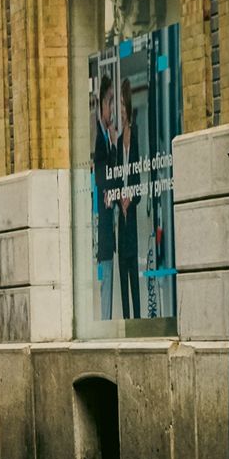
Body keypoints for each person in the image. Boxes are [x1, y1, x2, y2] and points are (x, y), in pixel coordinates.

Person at [116, 78, 143, 320]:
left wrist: (130, 199)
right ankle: (126, 320)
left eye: (124, 106)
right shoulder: (116, 141)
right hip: (120, 216)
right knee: (122, 268)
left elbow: (139, 183)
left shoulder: (134, 136)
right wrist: (117, 199)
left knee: (133, 268)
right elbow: (115, 179)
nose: (121, 111)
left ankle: (137, 317)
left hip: (131, 213)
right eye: (119, 106)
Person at [92, 75, 118, 320]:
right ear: (101, 105)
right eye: (110, 102)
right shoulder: (98, 138)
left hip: (108, 228)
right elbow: (102, 178)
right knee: (105, 278)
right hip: (102, 227)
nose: (113, 110)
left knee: (107, 277)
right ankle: (104, 322)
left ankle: (105, 321)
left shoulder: (105, 138)